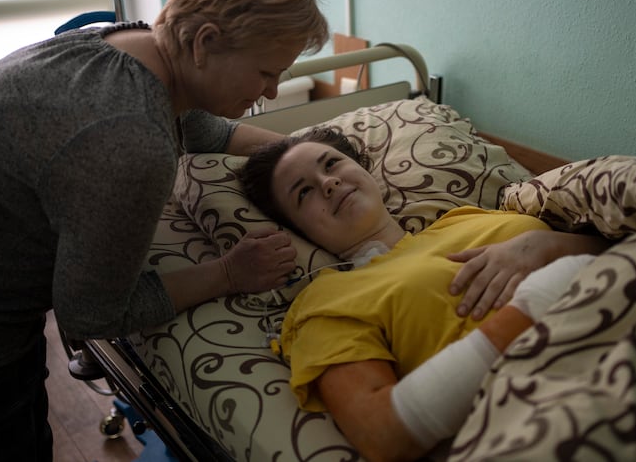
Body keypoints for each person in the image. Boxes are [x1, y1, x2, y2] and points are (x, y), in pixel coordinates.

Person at [0, 0, 328, 460]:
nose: (271, 91)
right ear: (204, 43)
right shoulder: (130, 141)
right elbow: (89, 315)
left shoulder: (123, 42)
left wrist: (302, 150)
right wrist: (229, 273)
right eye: (267, 72)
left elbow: (201, 129)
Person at [238, 127, 612, 461]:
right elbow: (382, 434)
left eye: (332, 164)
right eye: (304, 192)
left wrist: (545, 246)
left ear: (364, 170)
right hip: (568, 404)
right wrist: (540, 298)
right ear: (298, 231)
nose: (328, 183)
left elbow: (621, 250)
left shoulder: (469, 217)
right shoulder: (325, 300)